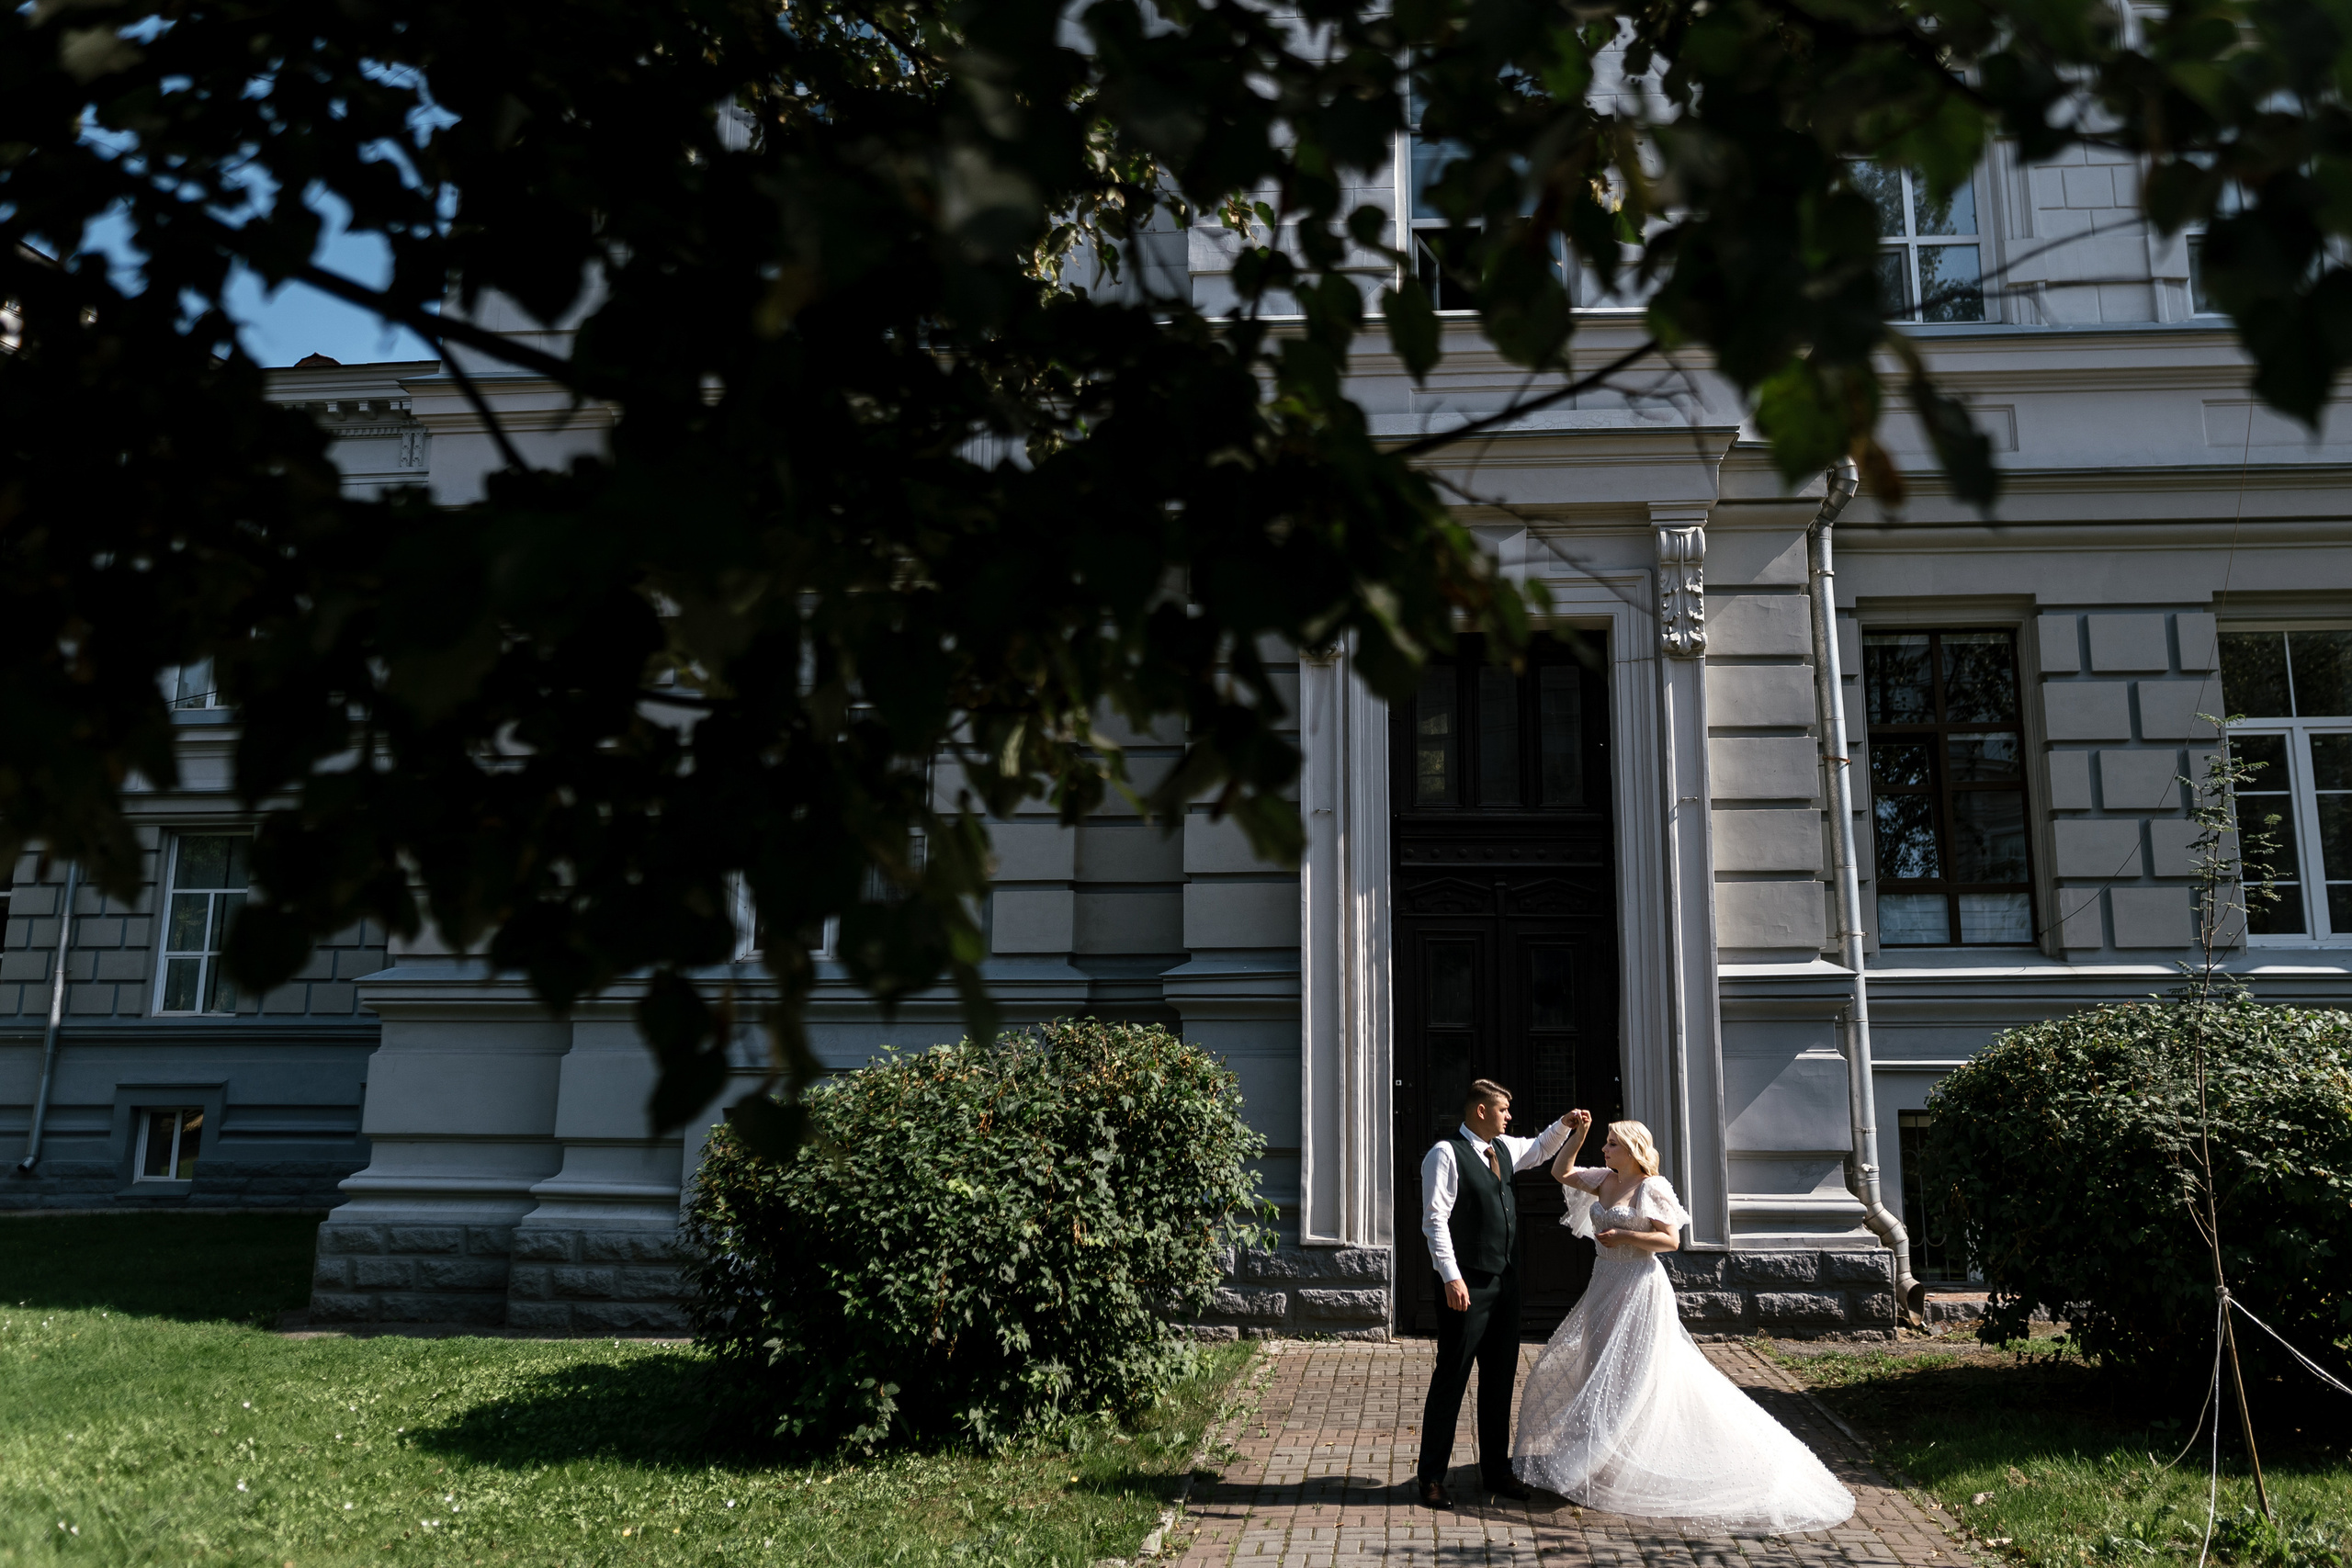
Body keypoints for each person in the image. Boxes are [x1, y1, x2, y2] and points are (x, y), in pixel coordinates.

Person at [1510, 1118, 1856, 1532]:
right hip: (1604, 1283)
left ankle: (1620, 1453)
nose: (1605, 1150)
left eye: (1612, 1144)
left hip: (1639, 1287)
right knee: (1597, 1364)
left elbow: (1671, 1241)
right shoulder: (1603, 1179)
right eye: (1604, 1143)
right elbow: (1559, 1172)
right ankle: (1601, 1455)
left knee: (1634, 1373)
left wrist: (1624, 1235)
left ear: (1635, 1150)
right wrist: (1578, 1135)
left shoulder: (1652, 1188)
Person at [1415, 1080, 1583, 1511]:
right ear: (1481, 1111)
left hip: (1506, 1284)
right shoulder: (1445, 1154)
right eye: (1504, 1110)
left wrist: (1565, 1124)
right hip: (1466, 1284)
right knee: (1451, 1377)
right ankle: (1431, 1478)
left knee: (1500, 1379)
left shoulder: (1503, 1148)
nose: (1509, 1116)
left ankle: (1496, 1471)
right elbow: (1435, 1220)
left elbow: (1540, 1148)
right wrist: (1451, 1277)